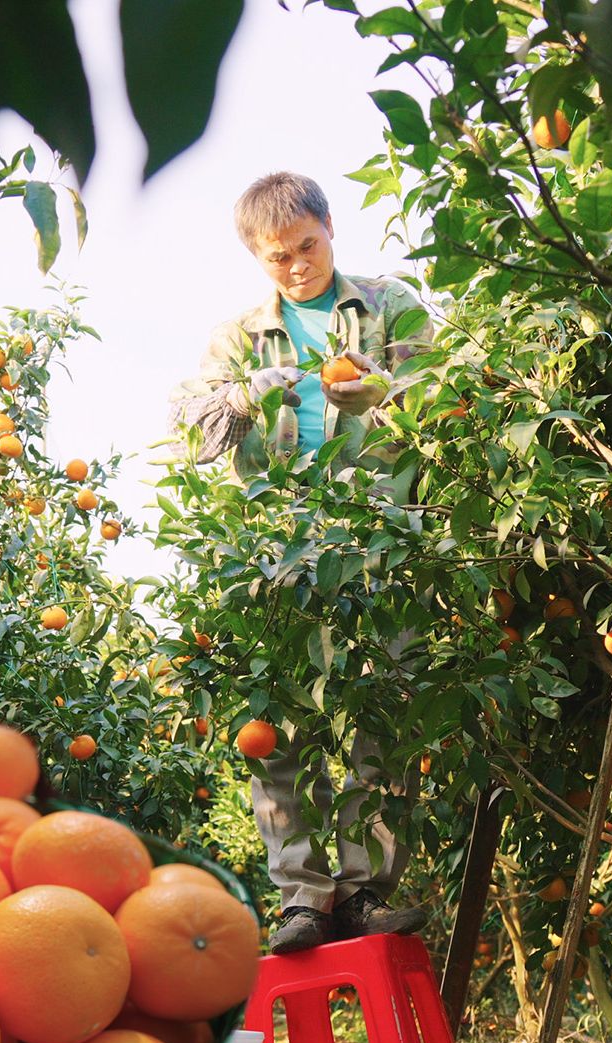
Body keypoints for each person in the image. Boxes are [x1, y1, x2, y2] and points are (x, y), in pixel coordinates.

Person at [168, 172, 432, 954]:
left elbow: (446, 391)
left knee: (379, 713)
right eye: (277, 257)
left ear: (328, 226)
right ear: (258, 255)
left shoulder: (389, 304)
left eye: (306, 247)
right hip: (276, 547)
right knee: (275, 723)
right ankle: (303, 900)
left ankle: (362, 890)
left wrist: (387, 393)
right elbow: (191, 421)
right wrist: (244, 399)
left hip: (379, 533)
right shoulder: (240, 336)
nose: (295, 267)